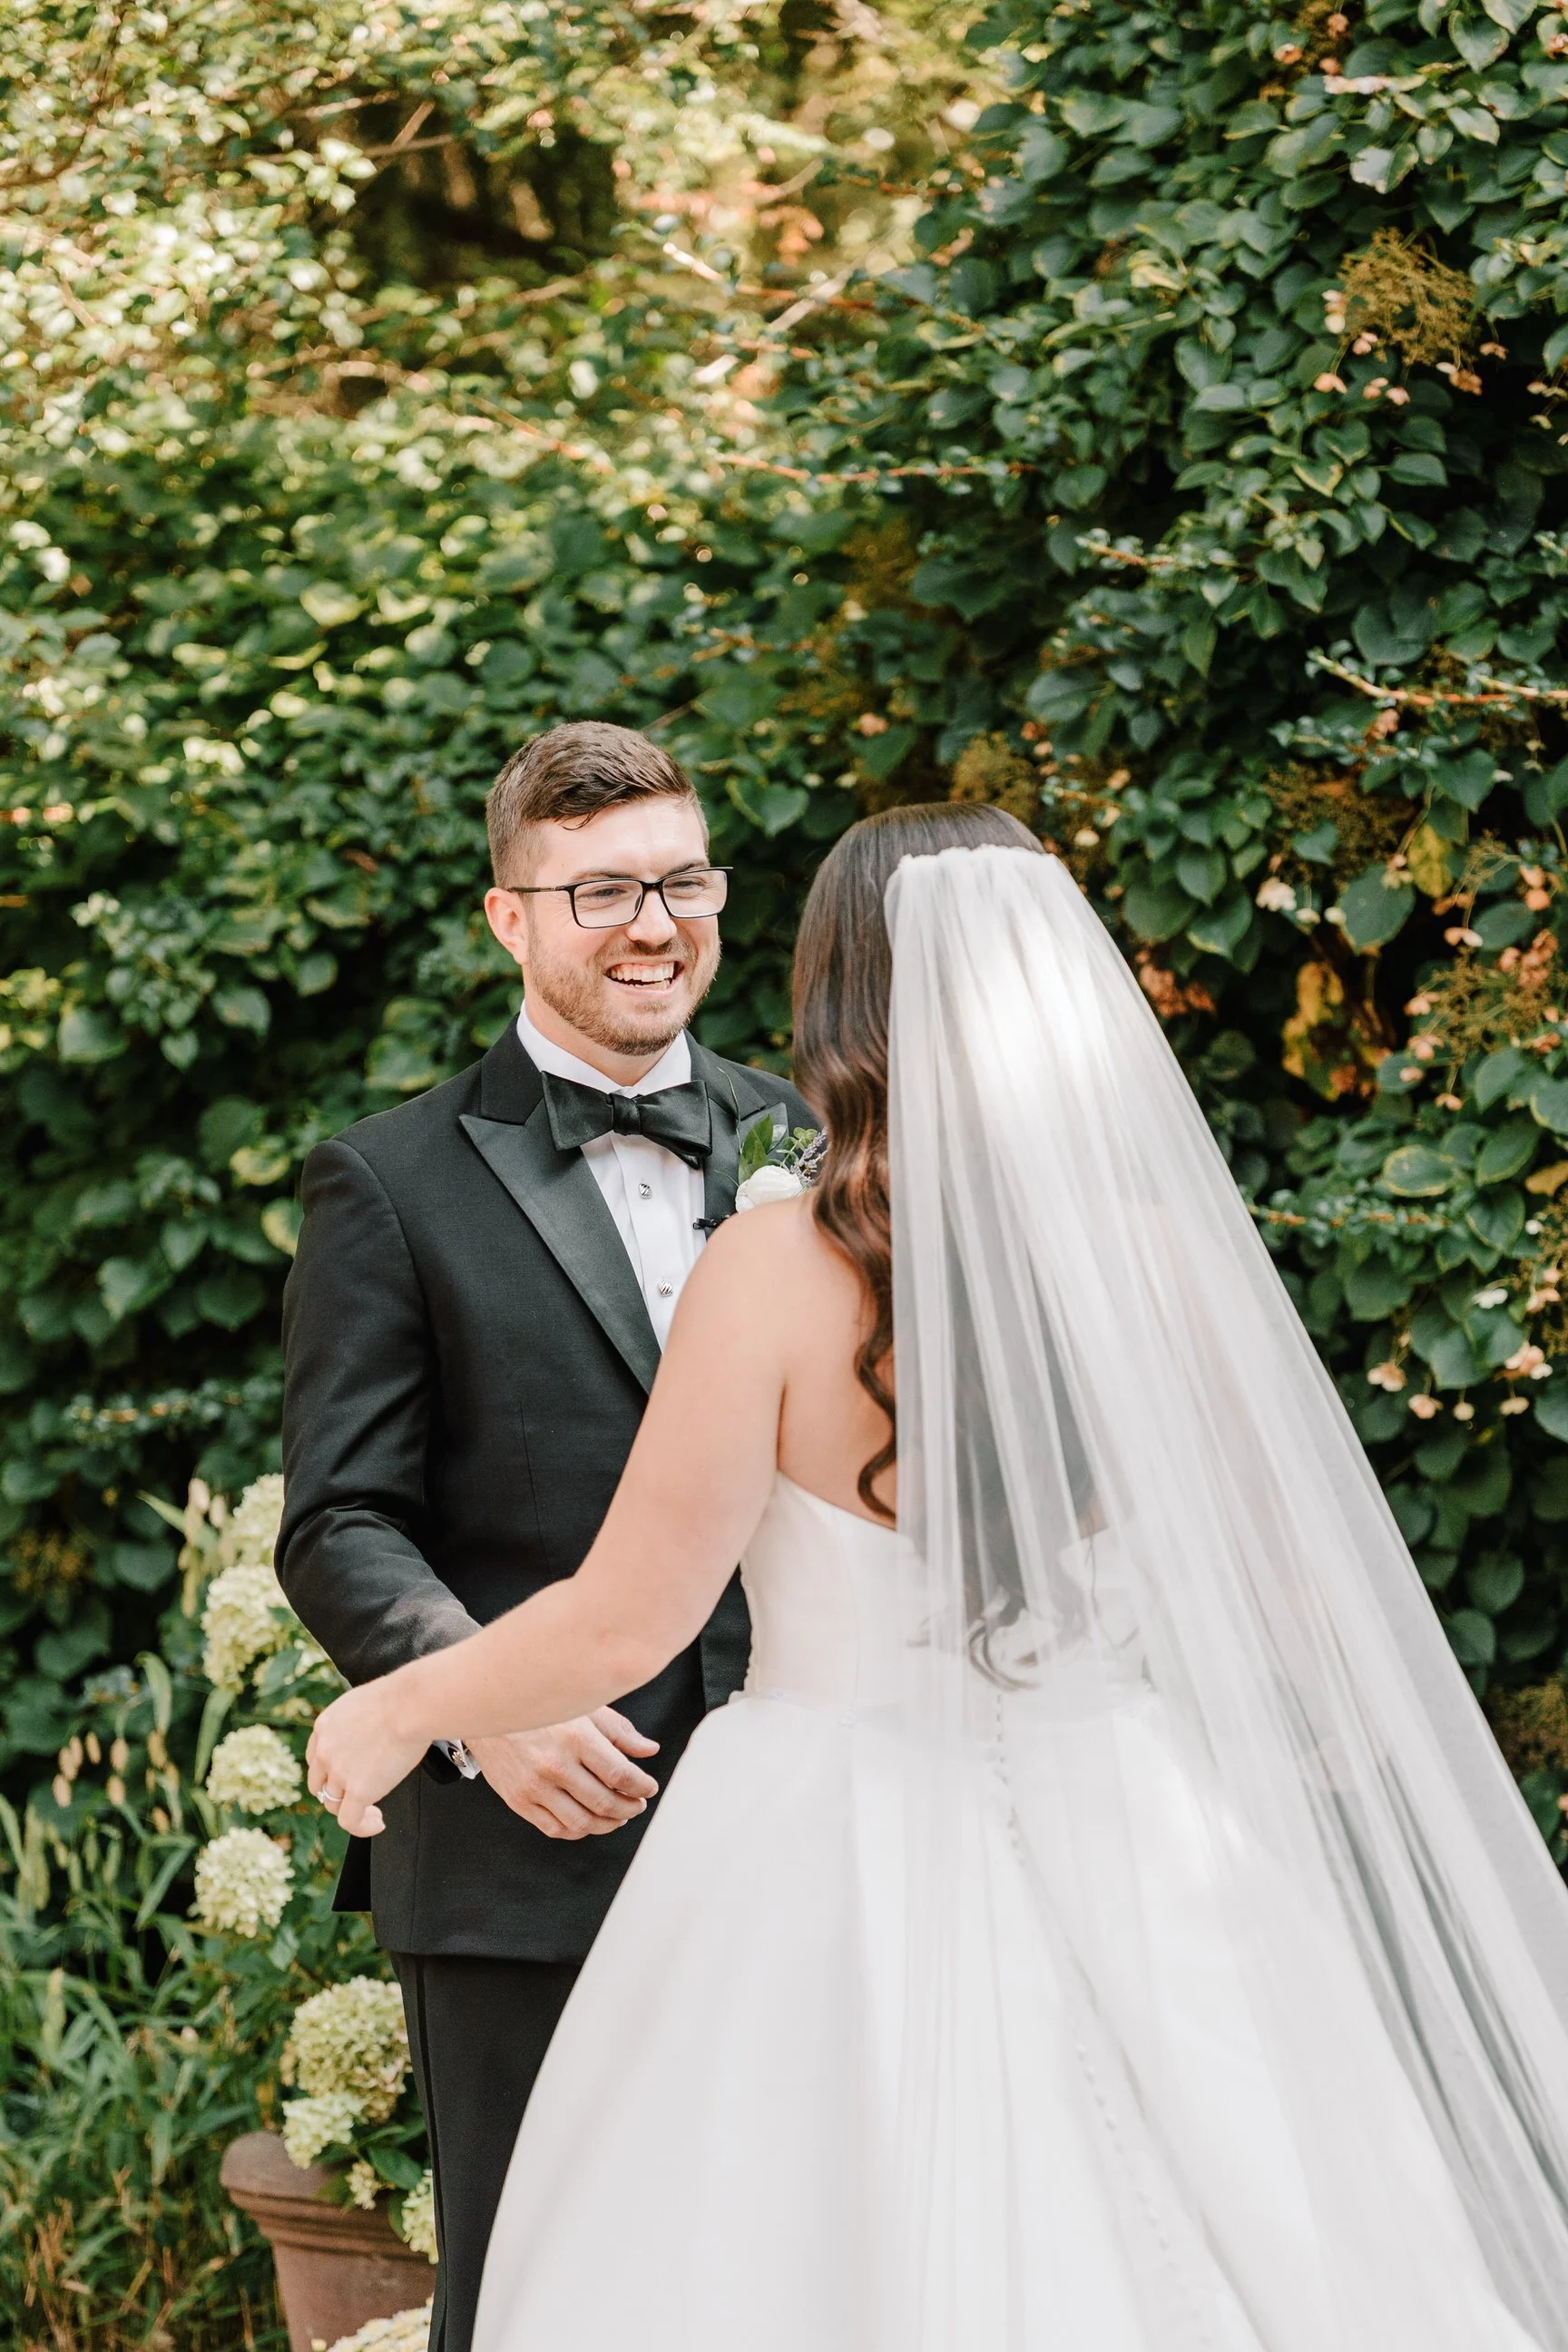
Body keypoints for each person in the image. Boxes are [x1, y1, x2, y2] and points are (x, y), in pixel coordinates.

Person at [306, 802, 1568, 2352]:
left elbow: (632, 1614)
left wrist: (396, 1708)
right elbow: (1288, 1604)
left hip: (828, 1847)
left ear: (845, 994)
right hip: (1136, 1812)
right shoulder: (1162, 1261)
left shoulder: (774, 1267)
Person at [276, 720, 811, 2352]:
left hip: (810, 1839)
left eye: (682, 881)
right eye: (601, 893)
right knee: (533, 2308)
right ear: (508, 916)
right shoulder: (387, 1181)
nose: (656, 926)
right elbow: (341, 1517)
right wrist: (481, 1708)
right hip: (526, 1861)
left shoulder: (817, 1143)